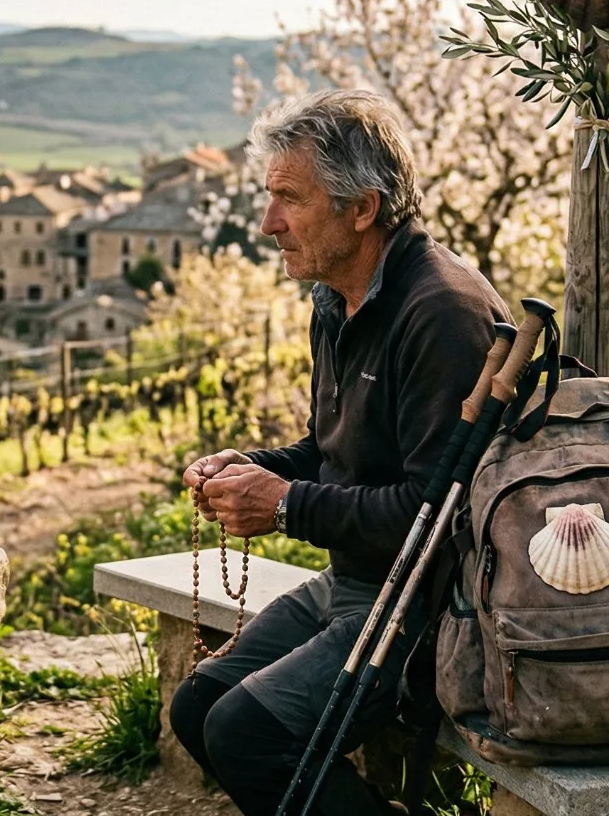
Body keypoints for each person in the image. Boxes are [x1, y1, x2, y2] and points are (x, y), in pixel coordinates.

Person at [171, 88, 506, 816]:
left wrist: (286, 507)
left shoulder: (441, 314)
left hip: (428, 609)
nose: (268, 225)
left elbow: (437, 517)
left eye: (290, 199)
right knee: (198, 705)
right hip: (357, 583)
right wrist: (254, 468)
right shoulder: (338, 298)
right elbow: (340, 456)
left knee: (244, 732)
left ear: (362, 209)